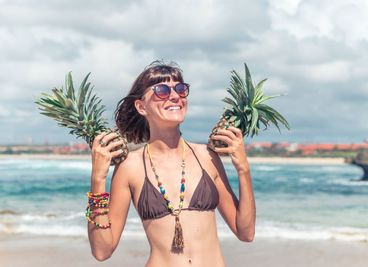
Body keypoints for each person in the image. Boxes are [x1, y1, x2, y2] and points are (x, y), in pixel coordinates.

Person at [86, 61, 256, 266]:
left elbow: (245, 232)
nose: (175, 96)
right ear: (141, 106)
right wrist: (98, 179)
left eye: (181, 89)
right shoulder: (130, 167)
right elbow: (102, 251)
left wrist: (243, 169)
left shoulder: (207, 157)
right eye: (162, 90)